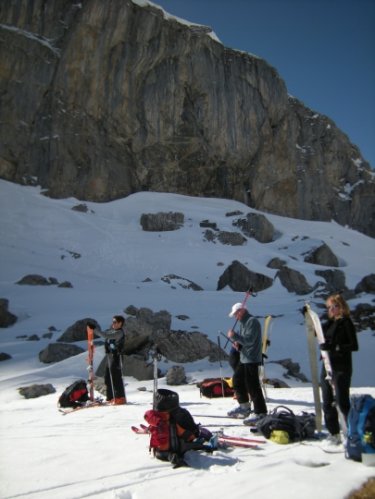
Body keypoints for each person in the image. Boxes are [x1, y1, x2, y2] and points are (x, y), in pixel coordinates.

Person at [320, 294, 358, 446]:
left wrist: (335, 347)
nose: (331, 309)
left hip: (341, 366)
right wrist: (309, 316)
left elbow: (354, 346)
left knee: (342, 401)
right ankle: (333, 433)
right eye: (329, 307)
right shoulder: (330, 323)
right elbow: (318, 333)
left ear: (341, 306)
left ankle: (350, 432)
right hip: (328, 365)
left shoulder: (346, 323)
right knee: (327, 401)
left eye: (334, 306)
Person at [226, 302, 267, 424]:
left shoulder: (252, 321)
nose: (235, 317)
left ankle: (260, 412)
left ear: (241, 311)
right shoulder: (244, 323)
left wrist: (235, 337)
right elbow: (245, 341)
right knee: (237, 380)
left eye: (235, 314)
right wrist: (238, 344)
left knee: (253, 386)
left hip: (252, 359)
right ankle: (245, 407)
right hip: (245, 358)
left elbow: (249, 340)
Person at [87, 315, 126, 405]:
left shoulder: (119, 333)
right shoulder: (113, 330)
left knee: (116, 377)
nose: (113, 324)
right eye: (113, 322)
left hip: (117, 357)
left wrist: (95, 329)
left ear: (120, 323)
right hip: (110, 356)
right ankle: (110, 397)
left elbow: (106, 335)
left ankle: (120, 397)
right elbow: (106, 335)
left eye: (115, 322)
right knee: (108, 377)